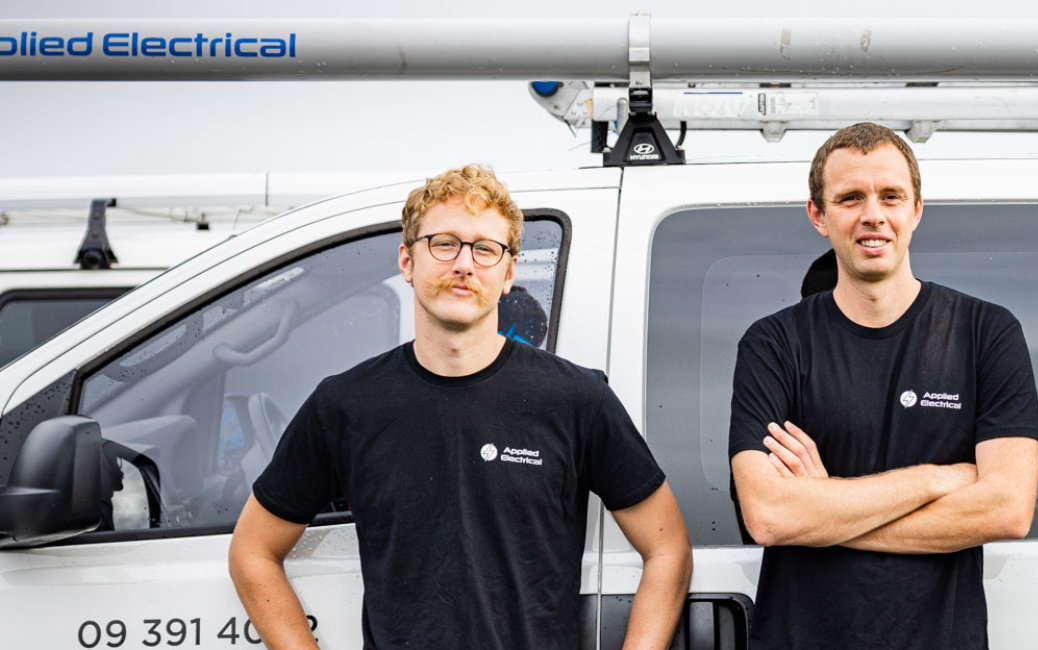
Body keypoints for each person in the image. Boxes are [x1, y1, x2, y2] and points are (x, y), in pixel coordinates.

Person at [227, 165, 692, 650]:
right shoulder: (346, 406)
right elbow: (253, 550)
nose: (464, 264)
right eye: (444, 243)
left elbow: (668, 549)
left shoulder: (576, 399)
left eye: (485, 249)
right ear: (408, 261)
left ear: (508, 273)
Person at [729, 122, 1038, 649]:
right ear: (818, 216)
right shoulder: (774, 344)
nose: (872, 214)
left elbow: (1007, 508)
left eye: (891, 196)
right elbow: (770, 515)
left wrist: (826, 508)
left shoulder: (984, 332)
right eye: (850, 198)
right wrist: (936, 480)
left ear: (916, 209)